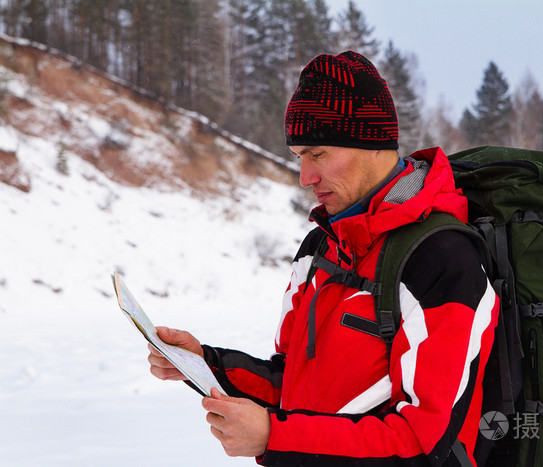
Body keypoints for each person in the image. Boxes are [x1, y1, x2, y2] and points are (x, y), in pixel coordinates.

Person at [148, 51, 499, 466]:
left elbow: (426, 442)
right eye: (300, 156)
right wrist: (208, 364)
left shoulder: (442, 259)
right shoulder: (319, 249)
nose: (305, 177)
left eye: (318, 154)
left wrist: (274, 437)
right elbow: (289, 385)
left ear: (372, 144)